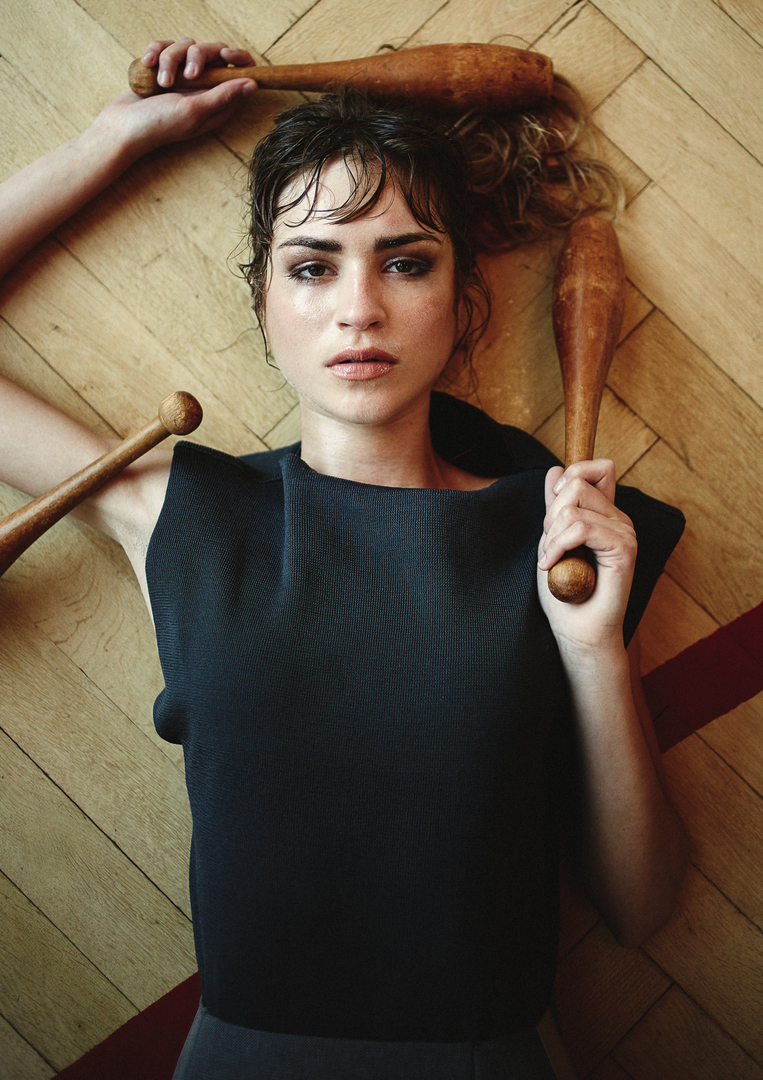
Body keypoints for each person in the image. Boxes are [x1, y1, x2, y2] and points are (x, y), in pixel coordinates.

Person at [0, 39, 688, 1079]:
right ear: (263, 301)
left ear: (461, 298)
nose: (358, 307)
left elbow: (640, 907)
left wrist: (594, 651)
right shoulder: (184, 515)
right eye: (312, 266)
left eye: (405, 262)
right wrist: (114, 141)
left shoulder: (557, 547)